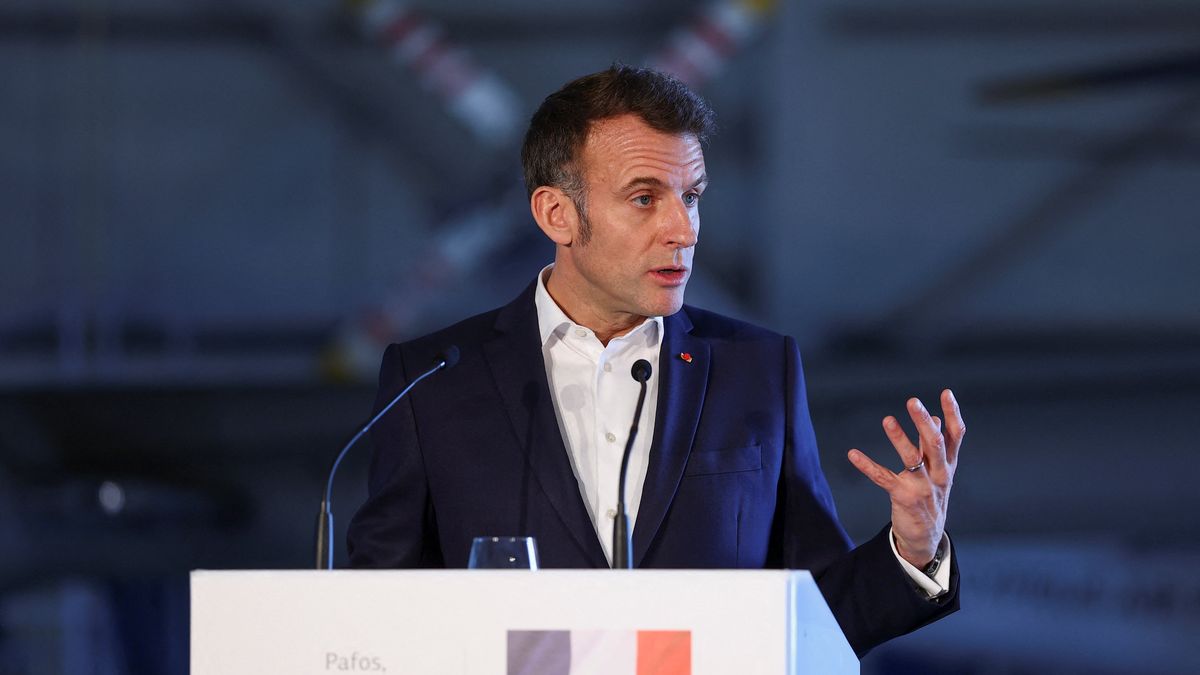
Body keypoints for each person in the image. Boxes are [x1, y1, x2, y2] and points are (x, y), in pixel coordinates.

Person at [347, 65, 963, 656]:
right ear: (556, 214)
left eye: (691, 196)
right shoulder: (434, 379)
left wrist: (913, 550)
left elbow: (817, 617)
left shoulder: (755, 370)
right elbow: (381, 610)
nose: (683, 229)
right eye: (645, 198)